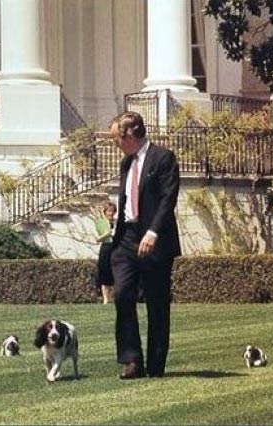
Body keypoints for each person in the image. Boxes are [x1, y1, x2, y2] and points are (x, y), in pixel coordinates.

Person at [109, 111, 181, 380]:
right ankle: (131, 359)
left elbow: (167, 199)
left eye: (116, 137)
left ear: (130, 134)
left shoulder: (163, 158)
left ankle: (156, 365)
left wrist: (153, 232)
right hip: (126, 238)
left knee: (157, 303)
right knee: (123, 295)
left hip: (155, 240)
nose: (115, 142)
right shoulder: (126, 163)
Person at [94, 201, 117, 304]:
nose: (110, 213)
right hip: (106, 248)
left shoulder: (117, 223)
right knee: (104, 273)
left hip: (116, 248)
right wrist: (108, 234)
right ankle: (106, 299)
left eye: (112, 211)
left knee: (116, 272)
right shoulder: (101, 223)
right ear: (105, 212)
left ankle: (115, 297)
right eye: (108, 211)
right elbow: (98, 239)